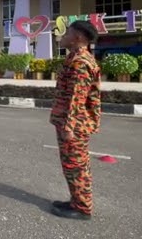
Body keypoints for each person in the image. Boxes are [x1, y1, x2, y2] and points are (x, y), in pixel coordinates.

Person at [50, 19, 102, 220]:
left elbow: (77, 98)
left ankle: (82, 208)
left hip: (75, 124)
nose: (62, 36)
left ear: (77, 37)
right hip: (69, 121)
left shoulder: (81, 63)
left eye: (66, 33)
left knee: (76, 167)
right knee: (71, 165)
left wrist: (69, 126)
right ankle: (76, 201)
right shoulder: (74, 58)